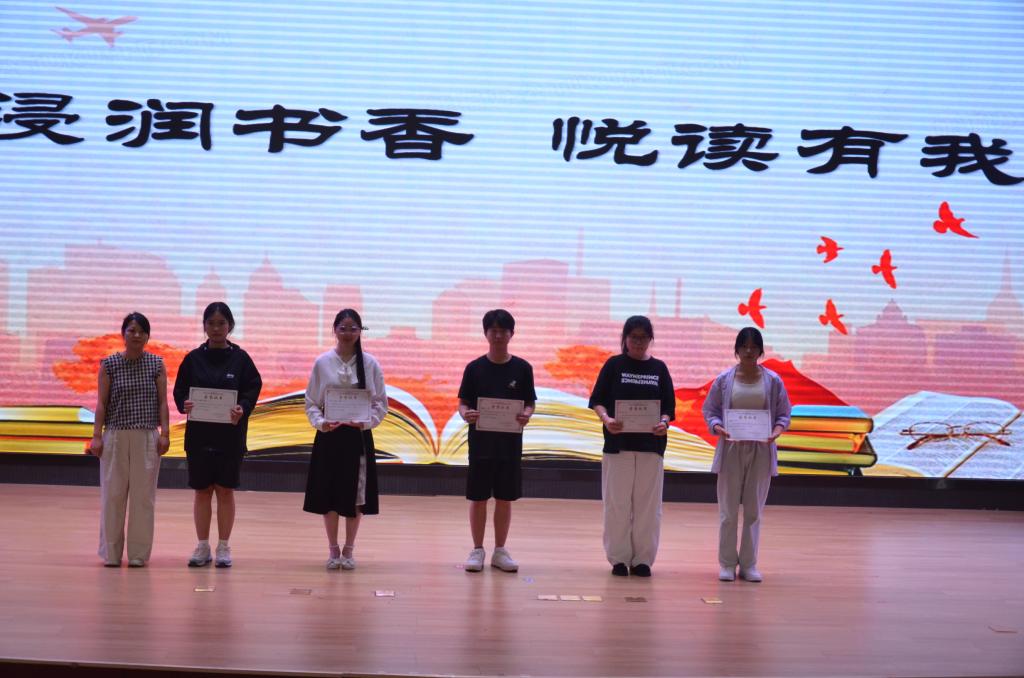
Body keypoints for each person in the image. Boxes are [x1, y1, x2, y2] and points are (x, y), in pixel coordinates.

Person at [173, 302, 262, 568]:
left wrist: (242, 407)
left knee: (225, 490)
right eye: (210, 323)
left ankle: (223, 546)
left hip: (230, 437)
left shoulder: (241, 359)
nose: (216, 328)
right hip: (199, 436)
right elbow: (180, 392)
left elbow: (252, 388)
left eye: (221, 323)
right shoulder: (192, 359)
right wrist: (185, 404)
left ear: (230, 326)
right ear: (204, 326)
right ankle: (202, 546)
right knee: (202, 491)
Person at [702, 327, 791, 583]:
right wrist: (717, 427)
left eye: (754, 346)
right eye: (744, 346)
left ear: (761, 350)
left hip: (761, 450)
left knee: (753, 511)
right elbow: (710, 411)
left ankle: (749, 564)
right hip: (731, 449)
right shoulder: (724, 380)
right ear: (737, 350)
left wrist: (776, 431)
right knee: (728, 511)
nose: (749, 351)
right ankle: (727, 564)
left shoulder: (773, 381)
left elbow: (784, 414)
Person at [588, 316, 675, 577]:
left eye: (643, 337)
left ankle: (642, 560)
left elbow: (668, 408)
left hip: (651, 446)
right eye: (633, 337)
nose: (638, 342)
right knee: (617, 504)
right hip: (618, 445)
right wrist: (607, 419)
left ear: (650, 339)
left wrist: (663, 423)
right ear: (625, 338)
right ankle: (618, 558)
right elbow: (597, 400)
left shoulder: (659, 368)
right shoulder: (614, 365)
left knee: (648, 506)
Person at [303, 309, 387, 570]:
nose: (348, 333)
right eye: (343, 328)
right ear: (334, 330)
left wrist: (365, 422)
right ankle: (333, 549)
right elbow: (311, 402)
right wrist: (322, 423)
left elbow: (380, 403)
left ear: (360, 331)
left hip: (358, 438)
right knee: (329, 493)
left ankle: (349, 549)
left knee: (356, 495)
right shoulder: (323, 362)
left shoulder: (370, 363)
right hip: (329, 436)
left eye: (353, 328)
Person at [457, 309, 537, 573]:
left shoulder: (522, 368)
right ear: (486, 333)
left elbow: (529, 403)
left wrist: (527, 414)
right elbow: (463, 403)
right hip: (480, 443)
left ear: (512, 334)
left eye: (503, 331)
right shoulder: (474, 368)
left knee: (505, 497)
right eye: (494, 330)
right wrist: (465, 414)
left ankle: (500, 551)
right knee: (478, 497)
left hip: (509, 444)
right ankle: (477, 550)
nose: (499, 335)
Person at [89, 312, 170, 567]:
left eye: (141, 331)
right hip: (115, 435)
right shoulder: (109, 364)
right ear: (123, 333)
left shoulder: (156, 364)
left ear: (148, 336)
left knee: (143, 498)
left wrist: (165, 433)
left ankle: (138, 554)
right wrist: (96, 436)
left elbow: (163, 403)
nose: (136, 335)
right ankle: (111, 554)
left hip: (147, 436)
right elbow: (101, 403)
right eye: (131, 330)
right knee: (113, 496)